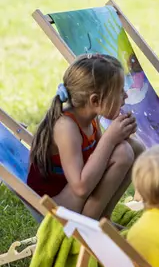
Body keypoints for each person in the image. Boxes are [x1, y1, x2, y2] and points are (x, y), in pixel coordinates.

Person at [27, 54, 139, 220]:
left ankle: (103, 219)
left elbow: (100, 158)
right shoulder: (66, 127)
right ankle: (88, 230)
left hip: (72, 196)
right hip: (55, 206)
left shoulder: (89, 119)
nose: (125, 96)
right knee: (123, 152)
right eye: (119, 91)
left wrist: (119, 136)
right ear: (95, 101)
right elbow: (80, 187)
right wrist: (110, 138)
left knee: (136, 148)